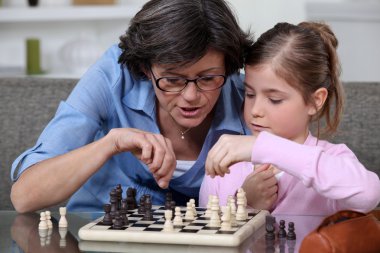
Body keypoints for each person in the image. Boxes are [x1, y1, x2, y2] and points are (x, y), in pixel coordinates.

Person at [10, 0, 253, 213]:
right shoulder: (114, 76)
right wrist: (111, 143)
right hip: (99, 230)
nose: (191, 96)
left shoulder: (248, 95)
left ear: (229, 67)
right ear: (146, 69)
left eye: (208, 78)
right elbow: (25, 197)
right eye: (172, 80)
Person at [200, 22, 380, 215]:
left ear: (315, 101)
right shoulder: (225, 168)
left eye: (274, 99)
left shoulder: (332, 161)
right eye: (250, 94)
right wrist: (245, 205)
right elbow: (204, 242)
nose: (255, 110)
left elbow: (369, 194)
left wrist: (263, 147)